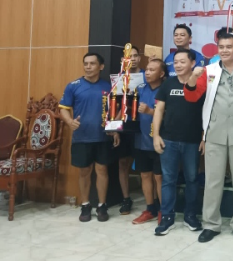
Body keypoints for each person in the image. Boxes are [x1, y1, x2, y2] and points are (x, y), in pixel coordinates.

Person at [184, 32, 233, 243]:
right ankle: (211, 224)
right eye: (221, 47)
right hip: (215, 130)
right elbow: (191, 96)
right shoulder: (208, 70)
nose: (225, 50)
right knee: (213, 181)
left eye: (229, 47)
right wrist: (192, 78)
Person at [58, 53, 118, 222]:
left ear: (101, 66)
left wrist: (114, 130)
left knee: (102, 170)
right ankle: (85, 205)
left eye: (92, 63)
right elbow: (63, 108)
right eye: (86, 63)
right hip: (82, 137)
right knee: (84, 171)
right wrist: (70, 121)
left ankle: (102, 205)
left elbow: (115, 111)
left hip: (102, 137)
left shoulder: (108, 87)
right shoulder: (73, 86)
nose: (88, 67)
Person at [152, 48, 204, 236]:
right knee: (168, 179)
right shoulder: (168, 84)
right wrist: (156, 135)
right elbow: (159, 110)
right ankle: (167, 217)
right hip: (169, 140)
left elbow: (207, 113)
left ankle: (191, 215)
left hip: (193, 141)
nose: (178, 65)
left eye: (183, 62)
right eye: (175, 62)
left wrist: (204, 137)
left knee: (192, 179)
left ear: (193, 63)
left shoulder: (201, 84)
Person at [132, 59, 167, 225]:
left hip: (160, 139)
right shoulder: (140, 89)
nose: (147, 72)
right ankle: (150, 209)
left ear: (162, 73)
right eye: (147, 69)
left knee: (159, 177)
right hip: (141, 139)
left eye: (152, 70)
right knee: (145, 174)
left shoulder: (166, 89)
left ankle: (163, 211)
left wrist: (150, 111)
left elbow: (171, 115)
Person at [116, 44, 144, 216]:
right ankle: (126, 198)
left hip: (143, 125)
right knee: (123, 163)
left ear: (139, 58)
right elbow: (116, 105)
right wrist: (114, 127)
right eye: (128, 56)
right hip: (125, 125)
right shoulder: (119, 79)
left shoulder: (148, 75)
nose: (132, 59)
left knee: (146, 165)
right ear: (123, 60)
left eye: (134, 56)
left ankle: (152, 200)